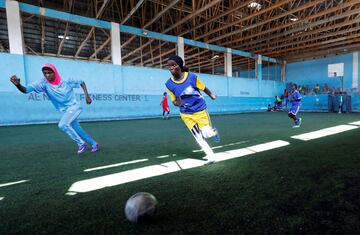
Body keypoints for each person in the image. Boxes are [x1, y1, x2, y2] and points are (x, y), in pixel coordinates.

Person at [10, 63, 99, 154]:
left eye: (49, 72)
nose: (47, 75)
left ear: (55, 72)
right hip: (65, 111)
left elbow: (81, 82)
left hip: (74, 106)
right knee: (77, 129)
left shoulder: (66, 80)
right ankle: (94, 144)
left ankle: (81, 144)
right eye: (45, 73)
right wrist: (18, 85)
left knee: (63, 125)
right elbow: (26, 90)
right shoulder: (43, 83)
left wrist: (87, 96)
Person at [165, 55, 220, 164]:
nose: (171, 68)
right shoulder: (169, 84)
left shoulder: (192, 77)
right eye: (169, 66)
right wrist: (178, 103)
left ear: (179, 66)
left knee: (206, 134)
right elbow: (174, 101)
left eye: (173, 65)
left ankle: (214, 132)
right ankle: (211, 156)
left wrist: (211, 95)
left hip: (200, 110)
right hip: (186, 114)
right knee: (198, 137)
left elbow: (203, 87)